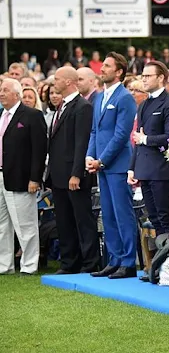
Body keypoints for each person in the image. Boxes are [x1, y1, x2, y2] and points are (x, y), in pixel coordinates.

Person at [86, 52, 137, 279]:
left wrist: (101, 160)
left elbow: (121, 134)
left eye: (107, 66)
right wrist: (90, 156)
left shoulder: (124, 97)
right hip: (102, 165)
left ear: (119, 72)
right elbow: (95, 131)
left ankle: (128, 261)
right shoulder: (99, 97)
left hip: (116, 164)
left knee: (122, 213)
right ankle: (114, 259)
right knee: (107, 214)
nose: (102, 69)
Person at [128, 61, 169, 264]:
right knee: (155, 219)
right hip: (144, 168)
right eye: (143, 76)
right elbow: (137, 138)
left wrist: (147, 140)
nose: (144, 79)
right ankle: (163, 263)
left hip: (161, 170)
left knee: (166, 218)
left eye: (148, 76)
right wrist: (132, 168)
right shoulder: (144, 104)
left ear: (161, 78)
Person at [47, 67, 99, 274]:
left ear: (69, 82)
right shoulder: (62, 106)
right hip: (58, 174)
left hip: (73, 175)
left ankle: (90, 262)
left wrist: (77, 173)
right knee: (64, 221)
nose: (54, 83)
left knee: (82, 220)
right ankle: (69, 262)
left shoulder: (82, 106)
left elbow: (81, 143)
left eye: (58, 79)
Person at [0, 78, 47, 275]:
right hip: (1, 175)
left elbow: (39, 150)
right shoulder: (1, 115)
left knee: (25, 224)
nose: (1, 93)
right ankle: (5, 265)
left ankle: (29, 265)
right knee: (2, 226)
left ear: (16, 94)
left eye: (5, 90)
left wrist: (35, 178)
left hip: (21, 178)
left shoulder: (32, 115)